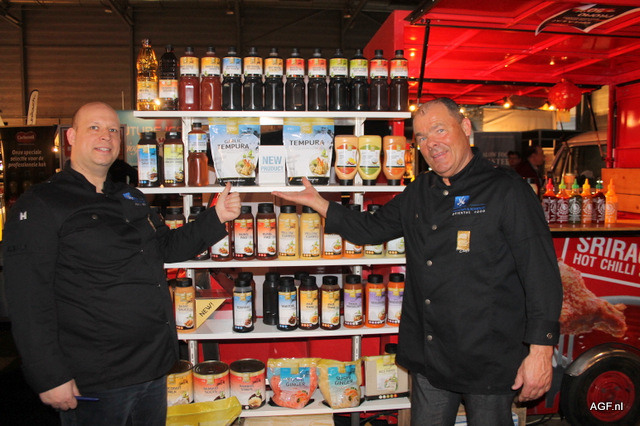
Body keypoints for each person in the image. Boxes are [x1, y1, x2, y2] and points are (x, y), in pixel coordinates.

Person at [273, 97, 562, 425]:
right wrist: (319, 202)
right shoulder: (420, 190)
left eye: (439, 130)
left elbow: (541, 274)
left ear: (465, 128)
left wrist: (541, 351)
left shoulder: (507, 190)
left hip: (488, 356)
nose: (430, 143)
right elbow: (371, 228)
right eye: (421, 137)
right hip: (431, 354)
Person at [2, 102, 241, 425]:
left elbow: (165, 247)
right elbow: (27, 297)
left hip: (153, 367)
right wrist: (48, 374)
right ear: (71, 137)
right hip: (97, 376)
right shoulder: (42, 203)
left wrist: (217, 216)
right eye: (95, 128)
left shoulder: (130, 197)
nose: (106, 136)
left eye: (113, 130)